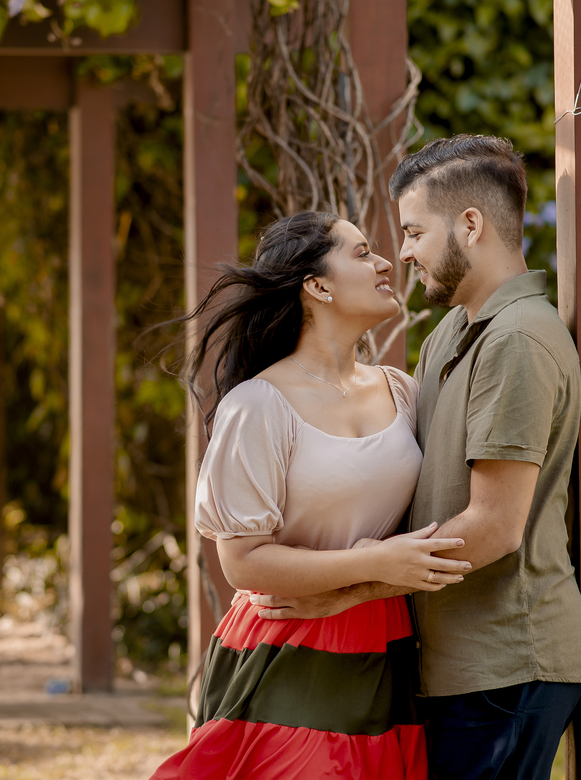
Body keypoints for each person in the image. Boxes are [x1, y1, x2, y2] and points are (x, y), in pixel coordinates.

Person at [244, 135, 581, 779]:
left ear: (471, 225)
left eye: (413, 232)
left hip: (507, 662)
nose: (402, 253)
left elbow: (494, 526)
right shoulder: (448, 337)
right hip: (453, 663)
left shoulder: (518, 340)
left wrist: (346, 593)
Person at [150, 211, 472, 780]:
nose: (386, 262)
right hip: (286, 642)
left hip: (385, 643)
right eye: (362, 253)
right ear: (318, 286)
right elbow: (242, 562)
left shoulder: (402, 391)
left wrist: (380, 575)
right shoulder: (257, 405)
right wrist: (375, 563)